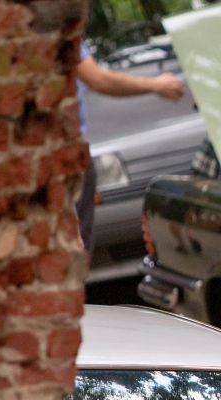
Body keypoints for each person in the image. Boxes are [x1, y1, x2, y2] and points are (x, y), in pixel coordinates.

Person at [75, 42, 186, 253]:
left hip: (69, 150)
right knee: (74, 246)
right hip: (66, 154)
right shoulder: (55, 31)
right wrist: (156, 85)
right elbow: (98, 80)